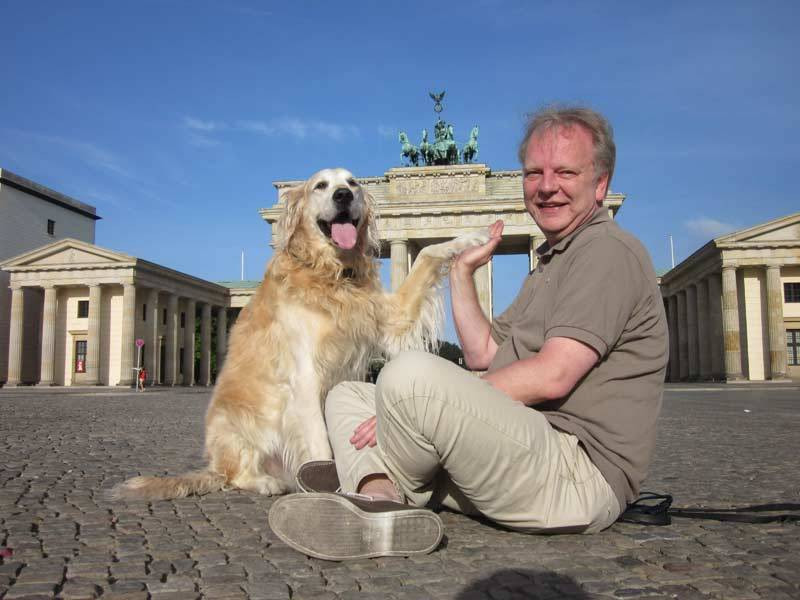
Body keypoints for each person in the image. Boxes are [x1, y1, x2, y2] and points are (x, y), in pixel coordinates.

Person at [268, 106, 669, 561]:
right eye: (534, 172)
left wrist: (409, 407)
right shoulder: (555, 261)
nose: (546, 186)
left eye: (565, 172)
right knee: (349, 395)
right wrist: (461, 272)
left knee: (409, 373)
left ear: (600, 184)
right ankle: (378, 501)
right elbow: (484, 354)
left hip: (575, 477)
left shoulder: (606, 251)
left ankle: (366, 473)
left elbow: (553, 375)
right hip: (521, 453)